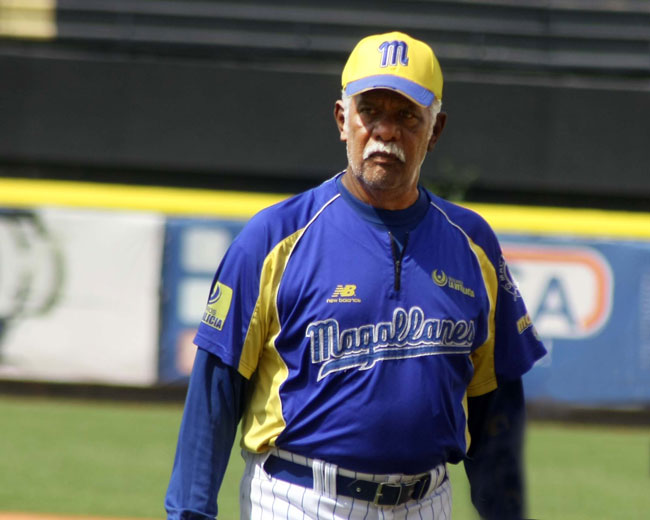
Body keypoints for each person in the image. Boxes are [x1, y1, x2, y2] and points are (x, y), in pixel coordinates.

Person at [165, 31, 546, 519]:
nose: (386, 131)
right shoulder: (274, 239)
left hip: (427, 501)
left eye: (407, 115)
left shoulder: (472, 245)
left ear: (436, 130)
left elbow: (496, 406)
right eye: (370, 111)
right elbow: (213, 396)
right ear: (343, 120)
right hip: (300, 497)